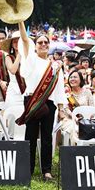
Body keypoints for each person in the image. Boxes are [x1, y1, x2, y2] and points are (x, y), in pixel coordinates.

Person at [16, 22, 65, 181]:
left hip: (49, 103)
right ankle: (27, 169)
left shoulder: (55, 66)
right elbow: (24, 39)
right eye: (40, 42)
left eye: (46, 42)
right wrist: (20, 20)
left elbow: (60, 87)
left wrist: (61, 108)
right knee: (29, 136)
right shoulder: (30, 58)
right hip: (32, 100)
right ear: (35, 46)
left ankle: (47, 171)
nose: (43, 44)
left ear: (49, 45)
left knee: (47, 138)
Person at [59, 70, 93, 144]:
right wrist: (75, 118)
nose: (72, 79)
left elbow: (92, 108)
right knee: (73, 128)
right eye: (70, 77)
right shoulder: (67, 93)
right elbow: (66, 109)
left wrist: (86, 118)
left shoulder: (87, 92)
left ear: (80, 79)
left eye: (75, 77)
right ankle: (75, 152)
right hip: (69, 119)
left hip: (86, 119)